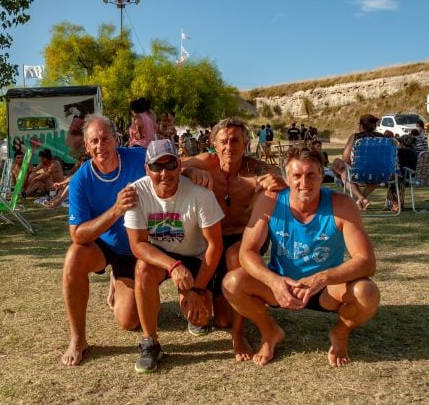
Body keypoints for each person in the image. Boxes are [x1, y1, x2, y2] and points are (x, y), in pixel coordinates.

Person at [224, 144, 380, 367]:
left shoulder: (342, 205)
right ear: (286, 178)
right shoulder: (270, 201)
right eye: (296, 175)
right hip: (281, 283)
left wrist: (321, 279)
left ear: (322, 175)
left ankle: (340, 333)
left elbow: (366, 262)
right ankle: (270, 333)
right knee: (232, 282)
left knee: (367, 292)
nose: (304, 183)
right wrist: (274, 281)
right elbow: (247, 251)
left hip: (326, 289)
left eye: (311, 175)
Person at [180, 117, 284, 359]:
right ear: (213, 144)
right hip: (211, 239)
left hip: (244, 239)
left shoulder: (255, 170)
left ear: (246, 143)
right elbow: (172, 166)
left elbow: (280, 177)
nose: (229, 147)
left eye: (236, 140)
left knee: (234, 254)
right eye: (223, 141)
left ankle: (239, 334)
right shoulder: (206, 162)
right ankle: (224, 304)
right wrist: (190, 170)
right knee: (221, 319)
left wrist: (277, 179)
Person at [124, 139, 224, 373]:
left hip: (196, 256)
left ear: (180, 165)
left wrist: (197, 290)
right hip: (162, 255)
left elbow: (215, 246)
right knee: (142, 268)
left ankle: (191, 295)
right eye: (157, 167)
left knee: (199, 320)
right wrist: (173, 266)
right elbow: (137, 245)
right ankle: (150, 342)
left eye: (170, 165)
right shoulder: (136, 192)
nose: (164, 172)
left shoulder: (201, 194)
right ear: (147, 169)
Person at [62, 114, 146, 366]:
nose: (101, 146)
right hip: (104, 246)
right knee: (74, 256)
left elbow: (173, 166)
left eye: (105, 139)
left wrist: (195, 170)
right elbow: (77, 233)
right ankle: (78, 338)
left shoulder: (139, 158)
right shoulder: (80, 180)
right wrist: (116, 210)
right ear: (86, 147)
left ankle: (120, 280)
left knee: (129, 321)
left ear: (116, 139)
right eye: (94, 141)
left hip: (136, 246)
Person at [330, 114, 385, 210]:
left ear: (361, 126)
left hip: (357, 173)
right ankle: (362, 198)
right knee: (377, 169)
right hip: (378, 173)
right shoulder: (382, 138)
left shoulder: (355, 137)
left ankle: (361, 198)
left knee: (339, 166)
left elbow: (345, 159)